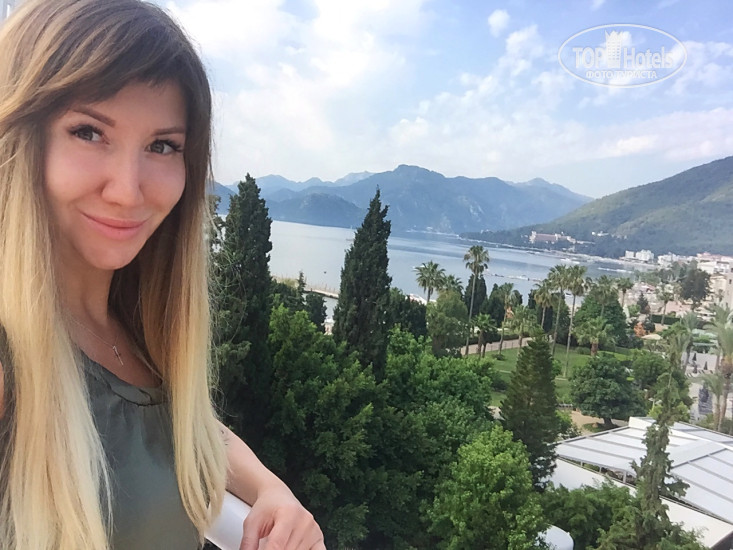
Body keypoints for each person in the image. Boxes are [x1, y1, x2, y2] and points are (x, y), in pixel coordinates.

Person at [0, 1, 325, 549]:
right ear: (19, 137)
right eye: (88, 132)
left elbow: (182, 427)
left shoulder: (135, 332)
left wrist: (271, 491)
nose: (128, 190)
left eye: (161, 145)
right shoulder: (12, 359)